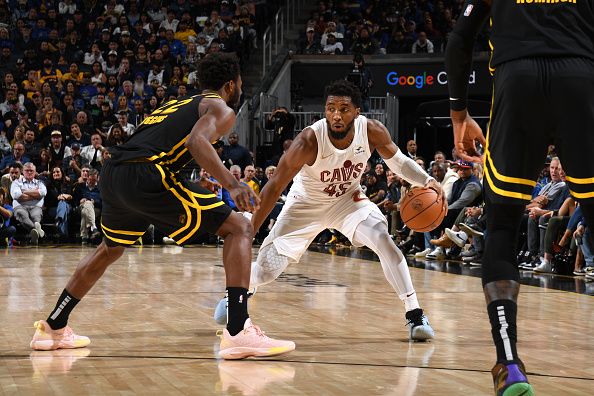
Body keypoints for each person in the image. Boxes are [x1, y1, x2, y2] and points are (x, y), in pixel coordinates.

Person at [30, 53, 295, 360]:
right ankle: (238, 330)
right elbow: (198, 143)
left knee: (109, 249)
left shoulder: (177, 103)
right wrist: (232, 184)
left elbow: (162, 144)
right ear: (231, 85)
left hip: (115, 173)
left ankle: (53, 327)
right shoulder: (221, 107)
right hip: (147, 174)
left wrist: (195, 184)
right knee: (240, 227)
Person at [214, 80, 445, 340]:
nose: (336, 115)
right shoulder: (308, 141)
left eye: (344, 109)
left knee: (384, 240)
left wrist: (427, 180)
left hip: (347, 201)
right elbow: (274, 187)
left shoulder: (371, 131)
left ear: (357, 112)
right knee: (267, 271)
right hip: (305, 205)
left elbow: (399, 162)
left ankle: (415, 314)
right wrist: (249, 231)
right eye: (331, 108)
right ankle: (239, 291)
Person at [445, 1, 594, 395]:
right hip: (580, 78)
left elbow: (460, 39)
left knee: (503, 225)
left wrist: (459, 113)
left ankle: (508, 363)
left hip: (518, 79)